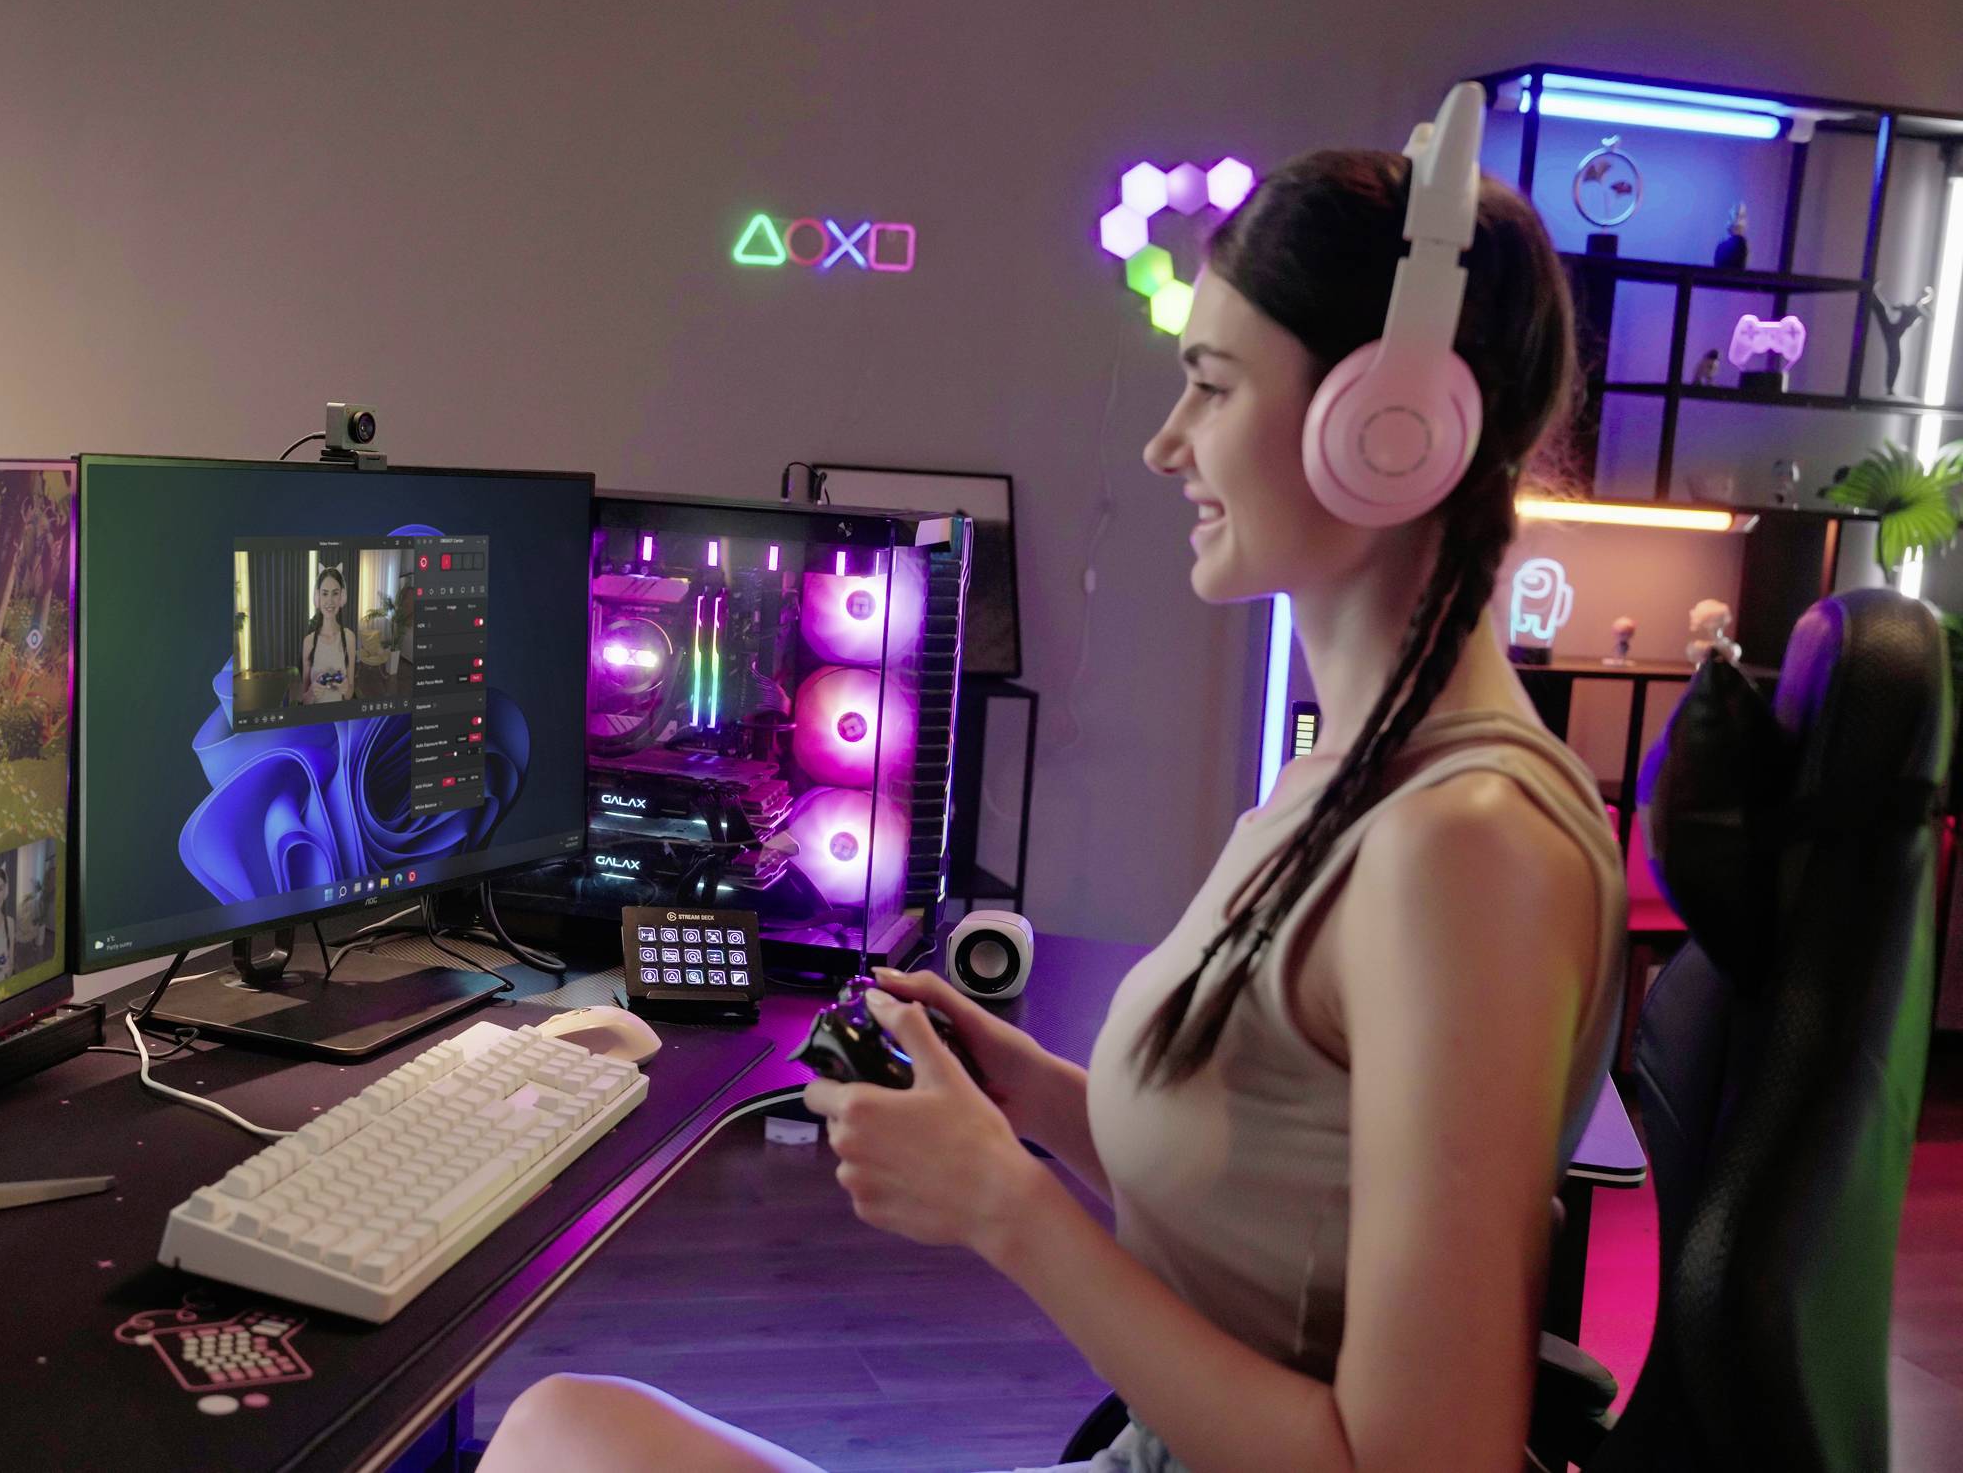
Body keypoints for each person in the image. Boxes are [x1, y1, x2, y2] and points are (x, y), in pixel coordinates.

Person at [477, 147, 1624, 1472]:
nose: (1166, 445)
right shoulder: (1351, 781)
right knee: (563, 1425)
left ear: (1382, 431)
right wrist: (1019, 1089)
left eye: (1211, 386)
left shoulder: (1465, 847)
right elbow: (1276, 1183)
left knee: (560, 1441)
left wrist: (1006, 1206)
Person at [296, 565, 357, 704]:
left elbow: (349, 694)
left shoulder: (349, 638)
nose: (330, 600)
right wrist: (311, 692)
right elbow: (305, 700)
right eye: (324, 593)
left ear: (342, 596)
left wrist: (346, 688)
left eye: (335, 593)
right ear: (317, 597)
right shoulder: (309, 642)